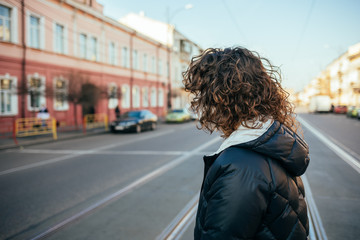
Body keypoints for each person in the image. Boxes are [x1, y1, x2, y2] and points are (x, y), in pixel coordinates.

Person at [182, 47, 310, 240]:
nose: (200, 104)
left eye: (204, 96)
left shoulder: (238, 167)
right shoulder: (272, 144)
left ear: (222, 99)